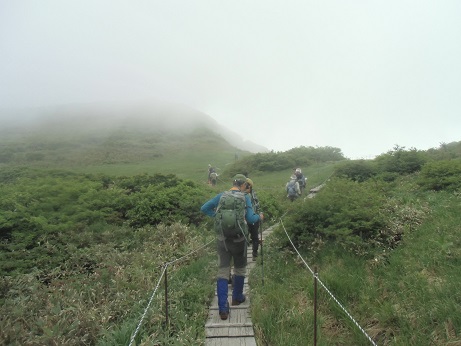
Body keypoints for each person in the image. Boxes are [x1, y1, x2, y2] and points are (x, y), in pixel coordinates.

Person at [201, 174, 263, 320]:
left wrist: (217, 217)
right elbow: (250, 218)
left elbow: (204, 208)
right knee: (240, 269)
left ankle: (223, 309)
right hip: (239, 240)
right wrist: (259, 217)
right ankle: (237, 297)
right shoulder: (245, 198)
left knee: (223, 271)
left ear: (233, 183)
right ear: (243, 185)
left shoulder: (222, 196)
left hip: (222, 240)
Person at [244, 178, 261, 260]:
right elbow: (257, 206)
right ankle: (255, 254)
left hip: (245, 219)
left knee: (245, 237)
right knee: (255, 236)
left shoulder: (241, 194)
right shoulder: (253, 194)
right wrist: (259, 216)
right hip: (254, 218)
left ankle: (249, 255)